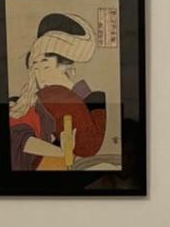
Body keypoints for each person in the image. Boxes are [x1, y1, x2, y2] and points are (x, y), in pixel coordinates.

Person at [8, 13, 107, 171]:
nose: (40, 76)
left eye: (46, 67)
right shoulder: (25, 104)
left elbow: (88, 147)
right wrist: (61, 151)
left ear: (69, 70)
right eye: (35, 69)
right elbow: (19, 138)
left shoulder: (86, 100)